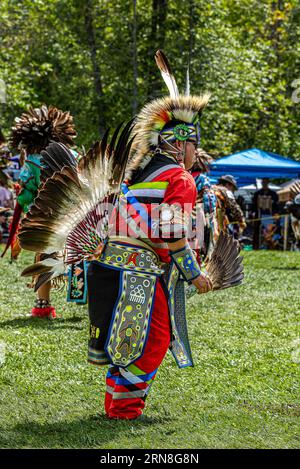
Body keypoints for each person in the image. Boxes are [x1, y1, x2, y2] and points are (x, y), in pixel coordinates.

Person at [17, 50, 243, 421]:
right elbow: (172, 235)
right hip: (138, 274)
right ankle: (124, 408)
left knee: (127, 339)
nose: (195, 152)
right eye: (192, 144)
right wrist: (196, 275)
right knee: (148, 342)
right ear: (176, 143)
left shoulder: (139, 175)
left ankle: (117, 404)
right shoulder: (178, 178)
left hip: (108, 268)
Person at [3, 105, 77, 318]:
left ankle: (42, 305)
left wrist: (27, 201)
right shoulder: (72, 154)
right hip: (73, 214)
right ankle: (82, 294)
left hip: (45, 217)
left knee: (46, 256)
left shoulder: (33, 161)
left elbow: (25, 196)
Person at [252, 178, 279, 249]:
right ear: (261, 183)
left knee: (271, 231)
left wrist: (276, 214)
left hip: (270, 216)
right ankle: (256, 247)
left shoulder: (273, 194)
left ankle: (271, 246)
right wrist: (253, 213)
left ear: (268, 183)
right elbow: (254, 206)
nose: (264, 183)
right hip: (259, 216)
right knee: (257, 232)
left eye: (266, 182)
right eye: (263, 182)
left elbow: (276, 206)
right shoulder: (257, 194)